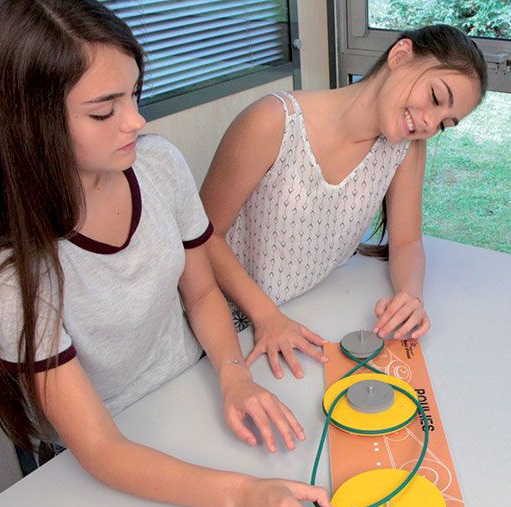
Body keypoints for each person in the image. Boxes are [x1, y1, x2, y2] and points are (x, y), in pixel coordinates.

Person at [0, 1, 338, 507]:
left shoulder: (157, 164)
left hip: (186, 390)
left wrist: (233, 374)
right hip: (100, 456)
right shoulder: (13, 278)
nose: (136, 121)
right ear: (29, 124)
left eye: (134, 94)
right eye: (104, 111)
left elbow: (201, 291)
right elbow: (100, 448)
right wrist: (241, 495)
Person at [200, 24, 488, 380]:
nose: (429, 123)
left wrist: (411, 297)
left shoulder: (406, 148)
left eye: (445, 124)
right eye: (434, 96)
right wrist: (267, 317)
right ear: (400, 56)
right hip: (220, 320)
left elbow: (406, 241)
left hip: (304, 311)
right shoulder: (271, 121)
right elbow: (203, 237)